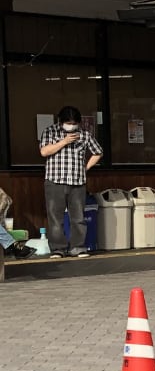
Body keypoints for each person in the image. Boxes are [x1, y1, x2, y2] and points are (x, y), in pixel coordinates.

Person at [38, 105, 103, 258]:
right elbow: (44, 151)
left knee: (78, 218)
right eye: (68, 123)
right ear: (60, 121)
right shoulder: (50, 131)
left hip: (78, 181)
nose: (71, 126)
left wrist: (85, 168)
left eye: (74, 123)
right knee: (55, 218)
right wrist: (64, 142)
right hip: (54, 180)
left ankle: (78, 247)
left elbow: (98, 152)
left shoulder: (84, 134)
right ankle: (58, 249)